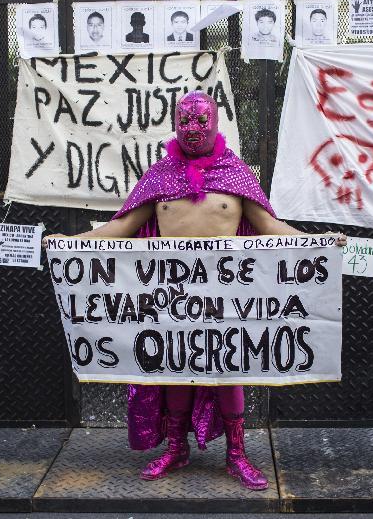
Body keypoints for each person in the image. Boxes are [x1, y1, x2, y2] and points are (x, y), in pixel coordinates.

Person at [43, 91, 344, 491]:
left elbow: (272, 228)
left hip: (229, 301)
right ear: (174, 123)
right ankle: (176, 448)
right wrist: (71, 241)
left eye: (202, 121)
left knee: (228, 374)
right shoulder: (159, 177)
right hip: (171, 301)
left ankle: (236, 454)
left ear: (217, 123)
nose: (193, 129)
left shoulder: (236, 175)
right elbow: (119, 229)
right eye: (185, 120)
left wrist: (317, 242)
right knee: (174, 373)